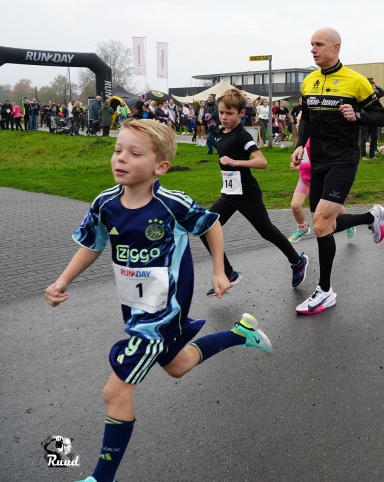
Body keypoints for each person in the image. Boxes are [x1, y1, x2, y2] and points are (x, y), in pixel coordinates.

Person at [44, 119, 272, 482]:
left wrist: (219, 270)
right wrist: (62, 281)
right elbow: (93, 244)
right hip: (135, 309)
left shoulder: (171, 204)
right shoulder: (104, 203)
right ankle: (240, 333)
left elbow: (210, 224)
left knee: (115, 389)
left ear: (160, 167)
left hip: (163, 314)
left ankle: (101, 477)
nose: (120, 158)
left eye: (134, 153)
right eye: (118, 150)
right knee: (178, 366)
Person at [291, 27, 384, 315]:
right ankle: (371, 216)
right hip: (318, 160)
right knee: (324, 227)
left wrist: (357, 115)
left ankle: (324, 290)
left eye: (319, 44)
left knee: (321, 223)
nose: (313, 49)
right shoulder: (309, 81)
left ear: (336, 48)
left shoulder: (355, 81)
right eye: (311, 44)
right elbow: (306, 118)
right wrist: (299, 145)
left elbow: (380, 117)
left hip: (344, 159)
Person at [198, 88, 309, 297]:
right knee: (205, 227)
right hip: (229, 194)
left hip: (247, 194)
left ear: (241, 114)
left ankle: (297, 261)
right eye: (221, 113)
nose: (224, 117)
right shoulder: (220, 134)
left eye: (229, 114)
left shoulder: (242, 136)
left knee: (266, 231)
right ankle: (229, 273)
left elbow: (262, 162)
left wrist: (234, 162)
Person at [288, 138, 356, 243]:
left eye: (300, 122)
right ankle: (303, 228)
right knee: (295, 205)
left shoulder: (317, 138)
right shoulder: (301, 139)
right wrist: (295, 160)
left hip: (320, 179)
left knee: (334, 207)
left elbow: (320, 162)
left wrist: (300, 166)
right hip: (304, 179)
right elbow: (302, 157)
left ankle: (349, 225)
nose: (298, 125)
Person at [360, 81, 384, 160]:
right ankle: (363, 155)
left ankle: (372, 155)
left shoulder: (374, 95)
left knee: (374, 137)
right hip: (364, 118)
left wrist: (377, 86)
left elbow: (383, 93)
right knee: (363, 138)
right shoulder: (362, 95)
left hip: (374, 119)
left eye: (372, 86)